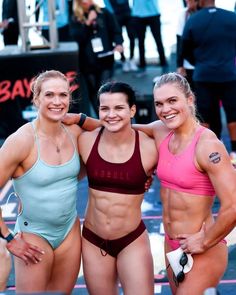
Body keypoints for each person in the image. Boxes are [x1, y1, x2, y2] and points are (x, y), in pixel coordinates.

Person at [133, 72, 236, 294]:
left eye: (172, 101)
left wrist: (205, 241)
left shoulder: (208, 146)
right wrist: (81, 120)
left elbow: (233, 205)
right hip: (172, 246)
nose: (165, 109)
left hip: (201, 249)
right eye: (159, 104)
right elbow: (119, 126)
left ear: (190, 100)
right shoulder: (161, 131)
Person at [0, 70, 100, 294]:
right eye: (49, 95)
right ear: (36, 99)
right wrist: (8, 237)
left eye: (63, 95)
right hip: (34, 234)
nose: (57, 102)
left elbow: (112, 128)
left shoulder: (74, 132)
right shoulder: (21, 140)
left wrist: (82, 118)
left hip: (69, 233)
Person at [65, 81, 158, 294]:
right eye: (104, 108)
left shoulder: (150, 147)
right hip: (93, 241)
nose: (111, 114)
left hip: (131, 240)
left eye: (118, 108)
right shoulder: (85, 141)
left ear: (132, 110)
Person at [181, 0, 236, 157]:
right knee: (233, 112)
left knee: (205, 115)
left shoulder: (193, 20)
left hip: (203, 75)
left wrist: (200, 62)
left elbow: (185, 50)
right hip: (229, 73)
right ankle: (234, 150)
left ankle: (208, 151)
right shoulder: (232, 17)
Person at [70, 0, 124, 116]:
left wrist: (119, 43)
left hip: (105, 59)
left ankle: (108, 115)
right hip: (88, 62)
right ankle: (100, 118)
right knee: (93, 92)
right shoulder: (75, 18)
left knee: (105, 89)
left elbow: (116, 30)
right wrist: (88, 22)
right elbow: (77, 38)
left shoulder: (103, 13)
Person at [131, 0, 168, 77]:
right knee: (140, 43)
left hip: (153, 14)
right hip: (138, 15)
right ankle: (142, 67)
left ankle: (164, 66)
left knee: (158, 41)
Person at [104, 0, 138, 72]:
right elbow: (107, 4)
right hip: (116, 16)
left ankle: (132, 59)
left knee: (132, 36)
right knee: (119, 39)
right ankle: (123, 60)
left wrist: (134, 10)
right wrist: (112, 15)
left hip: (128, 14)